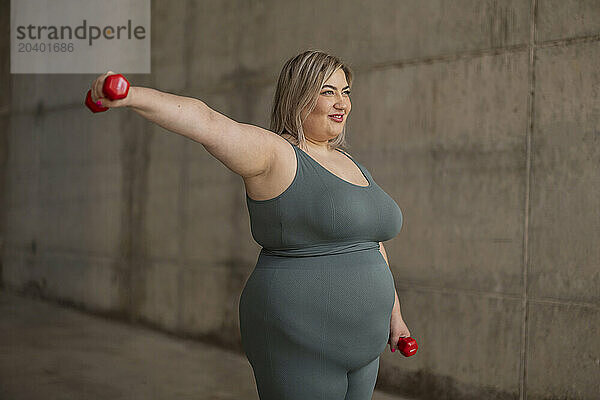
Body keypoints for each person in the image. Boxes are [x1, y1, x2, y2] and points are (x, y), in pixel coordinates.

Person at [88, 49, 411, 400]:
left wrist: (394, 316)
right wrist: (129, 95)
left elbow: (373, 243)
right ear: (298, 95)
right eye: (327, 91)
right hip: (300, 339)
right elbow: (207, 122)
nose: (341, 103)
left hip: (366, 342)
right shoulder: (274, 154)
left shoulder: (350, 163)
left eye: (345, 92)